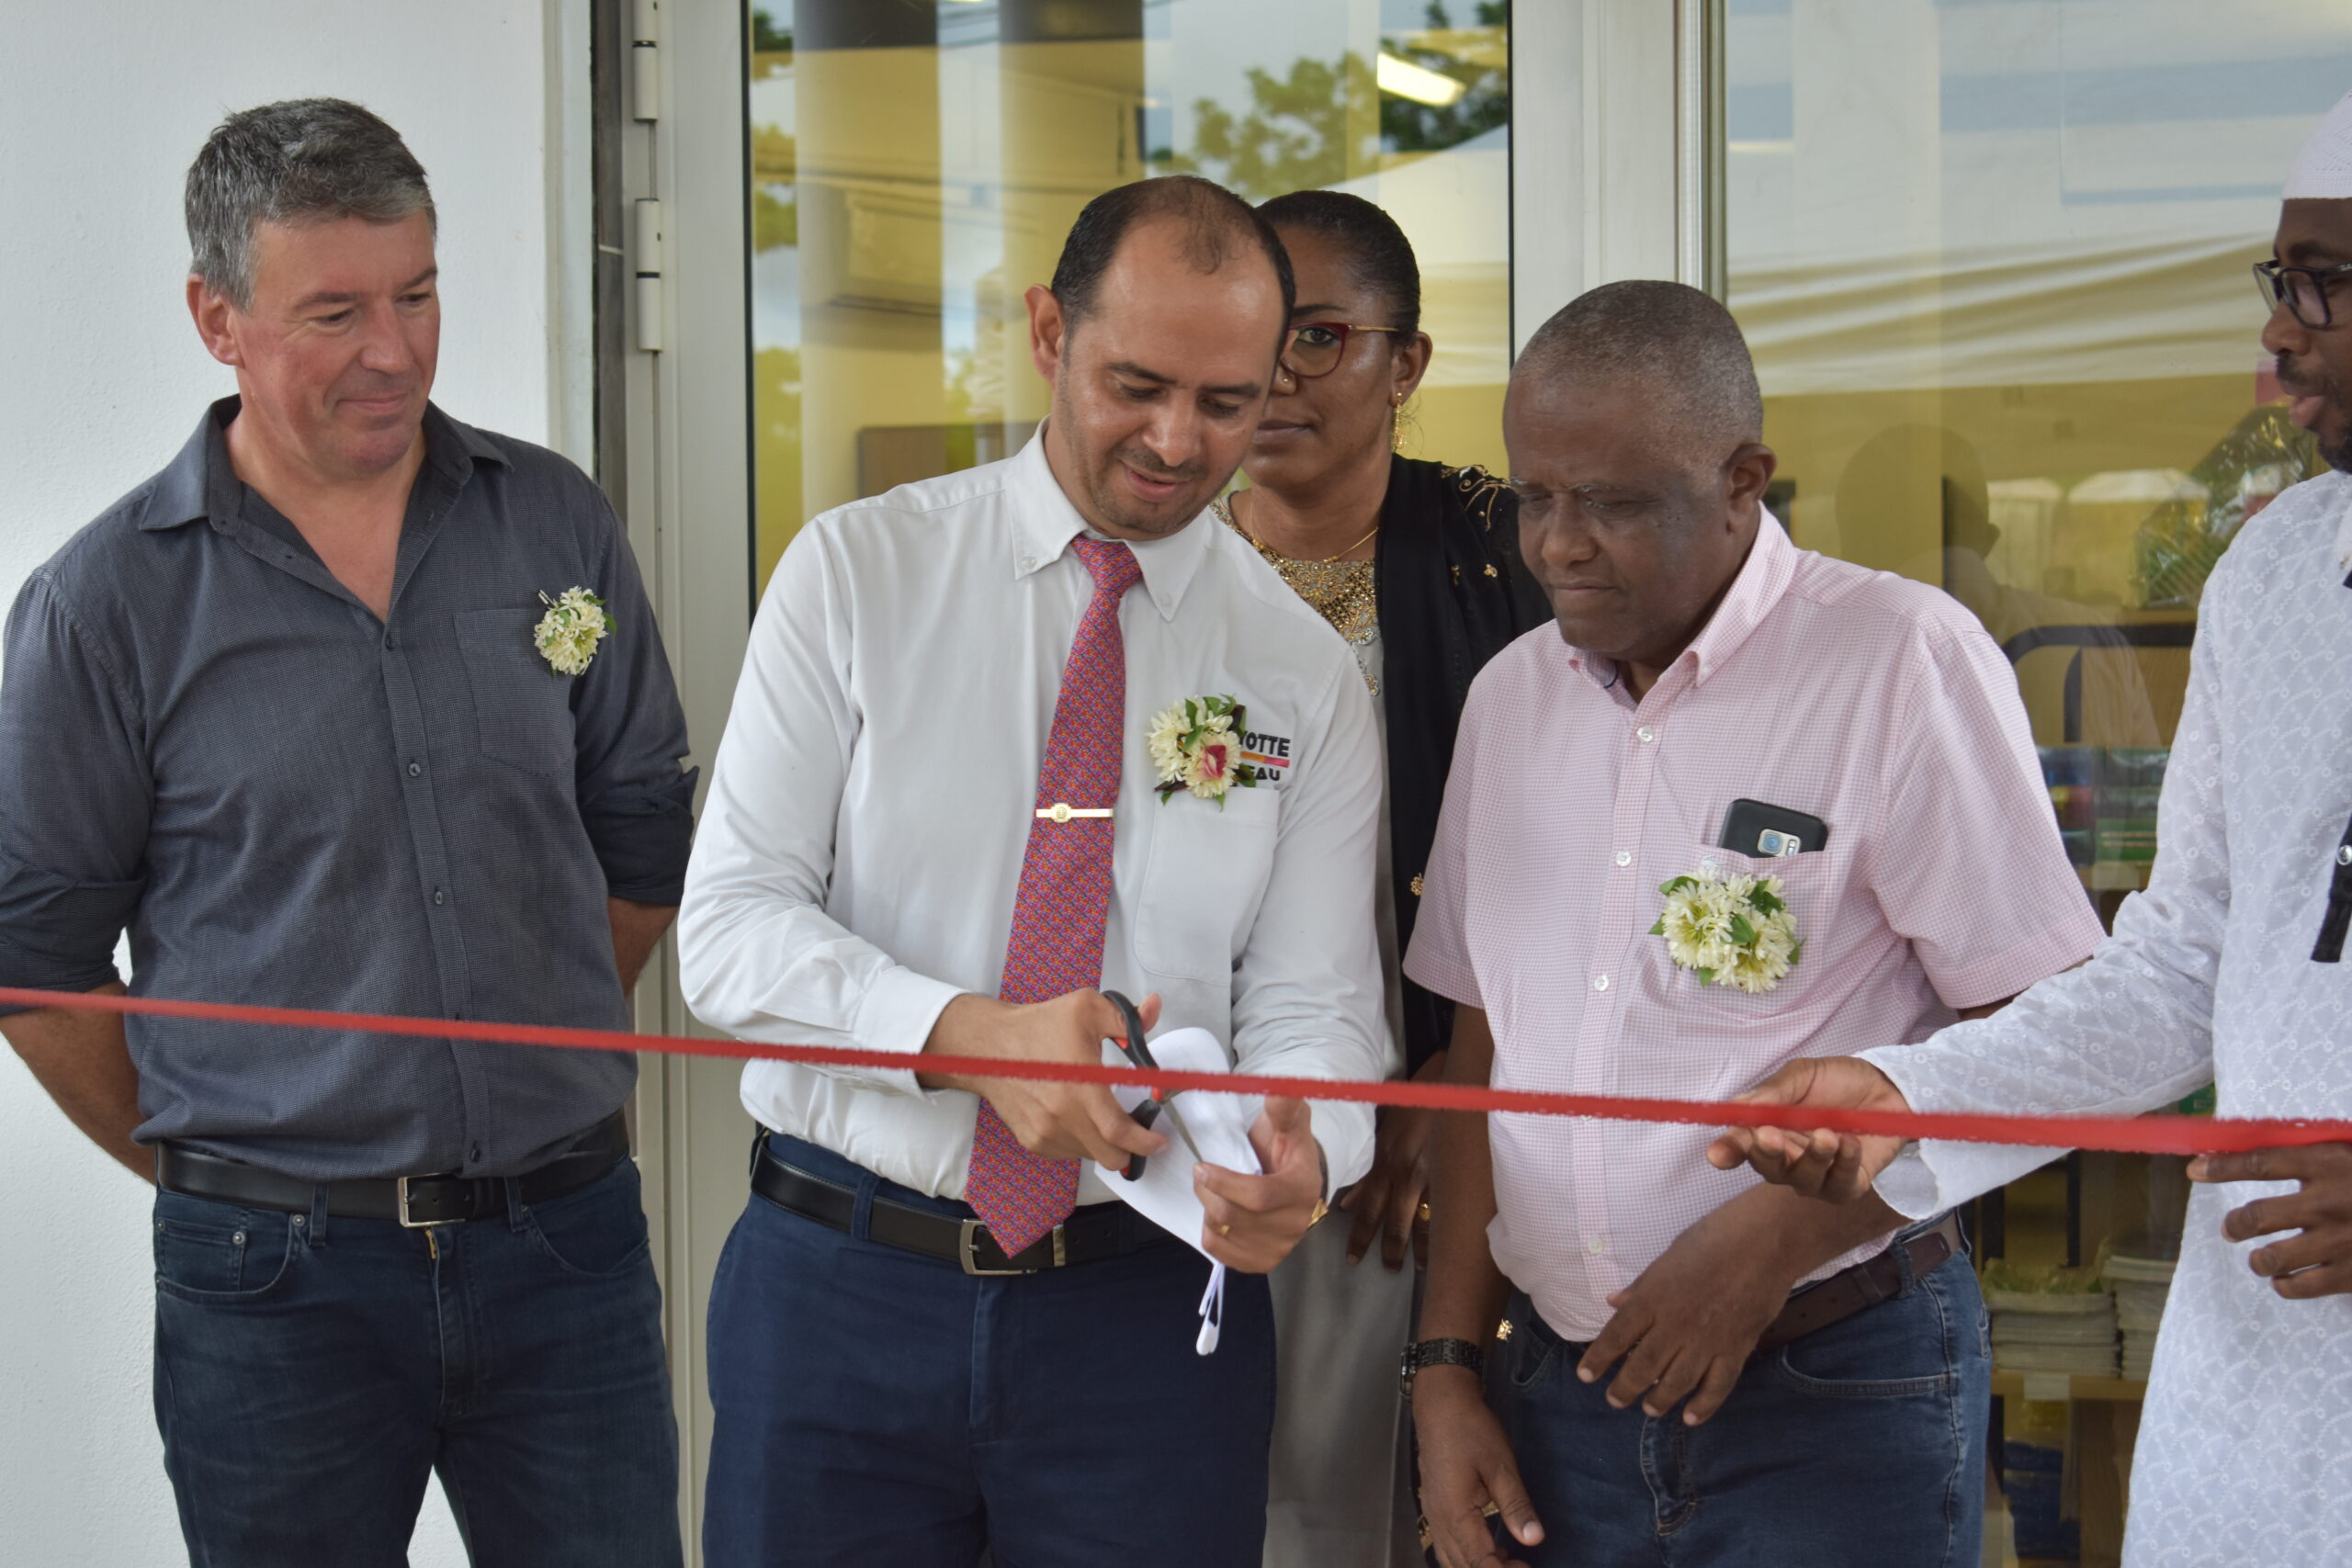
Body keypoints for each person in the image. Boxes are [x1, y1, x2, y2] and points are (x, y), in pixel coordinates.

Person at [0, 101, 695, 1567]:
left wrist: (526, 1051)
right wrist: (244, 1156)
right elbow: (39, 965)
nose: (395, 349)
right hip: (272, 1290)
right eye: (335, 311)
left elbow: (641, 844)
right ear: (216, 319)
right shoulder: (103, 607)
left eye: (419, 293)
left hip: (566, 1247)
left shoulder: (554, 522)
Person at [678, 175, 1387, 1568]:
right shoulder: (856, 575)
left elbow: (1318, 1006)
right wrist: (969, 1041)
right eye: (1139, 383)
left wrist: (1312, 1148)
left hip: (1146, 1319)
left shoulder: (1300, 673)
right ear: (1050, 334)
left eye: (1229, 402)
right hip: (841, 1291)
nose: (1179, 441)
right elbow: (729, 936)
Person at [1707, 89, 2352, 1568]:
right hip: (2259, 1391)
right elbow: (2177, 962)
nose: (2280, 340)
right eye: (2280, 284)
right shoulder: (2272, 585)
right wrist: (1905, 1094)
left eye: (2324, 284)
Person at [1402, 281, 2106, 1568]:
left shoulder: (1898, 663)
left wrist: (1778, 1242)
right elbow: (1477, 1050)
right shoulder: (1510, 701)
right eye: (1535, 497)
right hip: (1557, 1402)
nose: (1558, 545)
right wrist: (1446, 1367)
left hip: (1830, 1390)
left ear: (1743, 481)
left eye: (1611, 502)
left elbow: (2051, 1038)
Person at [1216, 189, 1547, 1568]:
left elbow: (1555, 874)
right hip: (1186, 1115)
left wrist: (1431, 1092)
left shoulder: (1508, 559)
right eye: (1259, 336)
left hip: (1428, 1122)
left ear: (1405, 365)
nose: (1280, 376)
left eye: (1324, 336)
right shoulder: (1153, 561)